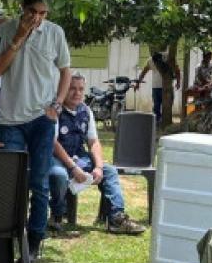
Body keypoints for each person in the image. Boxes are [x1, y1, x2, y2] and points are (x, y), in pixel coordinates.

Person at [0, 0, 71, 259]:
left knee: (40, 181)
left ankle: (34, 242)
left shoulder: (55, 33)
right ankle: (5, 240)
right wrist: (19, 37)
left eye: (43, 13)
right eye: (33, 12)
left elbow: (65, 72)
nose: (38, 19)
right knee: (10, 183)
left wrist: (58, 104)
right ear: (22, 9)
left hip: (42, 118)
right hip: (10, 118)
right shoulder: (4, 29)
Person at [48, 74, 145, 235]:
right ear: (63, 89)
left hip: (79, 157)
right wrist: (73, 168)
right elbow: (53, 142)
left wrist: (99, 167)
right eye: (72, 88)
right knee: (58, 175)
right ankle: (57, 217)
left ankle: (116, 218)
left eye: (80, 89)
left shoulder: (86, 111)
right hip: (57, 159)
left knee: (109, 171)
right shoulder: (55, 110)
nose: (77, 93)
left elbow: (93, 142)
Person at [135, 49, 180, 126]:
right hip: (161, 87)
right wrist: (178, 82)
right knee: (162, 106)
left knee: (158, 106)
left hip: (160, 87)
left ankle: (159, 122)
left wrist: (138, 83)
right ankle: (159, 122)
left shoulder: (158, 58)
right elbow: (177, 70)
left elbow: (144, 71)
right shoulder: (166, 57)